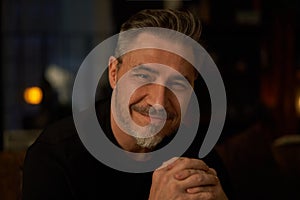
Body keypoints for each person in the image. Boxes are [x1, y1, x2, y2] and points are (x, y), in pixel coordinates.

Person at [22, 9, 233, 200]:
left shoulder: (197, 154)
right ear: (114, 74)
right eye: (142, 75)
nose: (158, 102)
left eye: (178, 83)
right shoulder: (54, 158)